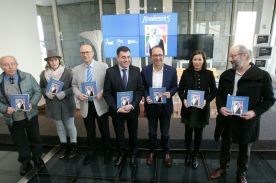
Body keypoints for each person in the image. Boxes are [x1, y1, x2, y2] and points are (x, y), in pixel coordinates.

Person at [210, 45, 275, 183]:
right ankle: (223, 167)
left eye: (233, 56)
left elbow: (269, 100)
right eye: (230, 56)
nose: (230, 59)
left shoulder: (261, 76)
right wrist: (221, 107)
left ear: (244, 55)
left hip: (247, 120)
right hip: (227, 117)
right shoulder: (226, 75)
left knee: (245, 148)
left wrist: (254, 112)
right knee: (225, 145)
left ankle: (241, 173)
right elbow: (219, 95)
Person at [0, 56, 44, 176]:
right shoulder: (0, 81)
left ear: (17, 64)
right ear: (1, 66)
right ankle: (25, 162)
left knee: (35, 138)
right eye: (6, 65)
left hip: (30, 115)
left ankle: (37, 158)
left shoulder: (28, 77)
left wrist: (32, 103)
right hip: (12, 118)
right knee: (19, 141)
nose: (10, 67)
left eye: (12, 64)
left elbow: (38, 91)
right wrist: (5, 108)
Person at [103, 46, 144, 168]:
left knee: (133, 133)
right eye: (123, 57)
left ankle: (133, 155)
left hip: (132, 110)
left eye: (128, 57)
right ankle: (121, 154)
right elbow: (107, 92)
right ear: (117, 58)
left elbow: (140, 90)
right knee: (119, 133)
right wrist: (116, 108)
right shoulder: (110, 72)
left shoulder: (136, 70)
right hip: (117, 111)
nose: (126, 60)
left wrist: (132, 105)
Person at [72, 44, 111, 164]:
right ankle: (91, 152)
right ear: (80, 54)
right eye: (82, 53)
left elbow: (109, 84)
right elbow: (74, 85)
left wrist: (102, 93)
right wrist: (78, 94)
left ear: (93, 53)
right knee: (90, 131)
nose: (85, 55)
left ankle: (107, 152)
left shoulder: (103, 66)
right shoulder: (77, 69)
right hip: (86, 105)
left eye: (87, 52)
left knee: (104, 130)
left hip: (100, 103)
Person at [178, 50, 217, 169]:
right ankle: (188, 153)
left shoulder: (209, 74)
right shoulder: (186, 73)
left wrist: (206, 100)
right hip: (188, 108)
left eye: (200, 59)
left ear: (204, 61)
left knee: (199, 133)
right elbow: (180, 89)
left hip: (201, 108)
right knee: (188, 131)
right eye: (195, 59)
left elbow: (214, 91)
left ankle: (195, 155)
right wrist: (184, 99)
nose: (197, 62)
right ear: (191, 61)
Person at [141, 45, 178, 167]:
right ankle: (152, 151)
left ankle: (166, 152)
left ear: (164, 56)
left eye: (160, 55)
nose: (158, 57)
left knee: (165, 133)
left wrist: (170, 93)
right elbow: (143, 87)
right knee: (152, 132)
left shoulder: (172, 70)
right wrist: (146, 96)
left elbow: (175, 86)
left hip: (165, 106)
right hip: (151, 106)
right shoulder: (145, 70)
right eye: (155, 55)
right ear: (151, 57)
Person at [39, 50, 77, 159]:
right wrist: (46, 93)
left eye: (55, 60)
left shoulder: (67, 72)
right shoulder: (43, 74)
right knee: (59, 127)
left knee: (70, 125)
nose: (54, 62)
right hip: (53, 104)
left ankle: (73, 145)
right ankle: (64, 145)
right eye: (51, 60)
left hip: (66, 103)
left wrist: (64, 93)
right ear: (48, 62)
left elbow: (74, 86)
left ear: (59, 60)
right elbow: (40, 87)